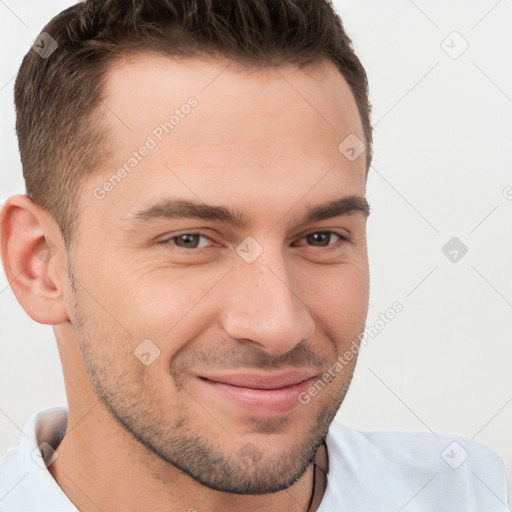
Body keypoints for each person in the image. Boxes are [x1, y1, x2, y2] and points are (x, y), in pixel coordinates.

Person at [0, 1, 508, 510]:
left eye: (320, 238)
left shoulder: (470, 493)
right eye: (190, 241)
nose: (278, 325)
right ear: (40, 265)